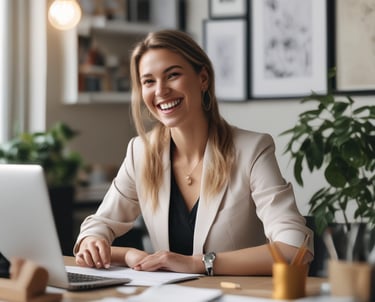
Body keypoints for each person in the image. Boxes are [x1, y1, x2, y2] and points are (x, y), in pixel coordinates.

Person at [74, 29, 313, 276]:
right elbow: (98, 226)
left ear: (203, 79)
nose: (160, 91)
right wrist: (107, 245)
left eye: (173, 75)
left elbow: (295, 249)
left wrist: (199, 263)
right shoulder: (141, 152)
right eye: (148, 81)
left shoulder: (252, 150)